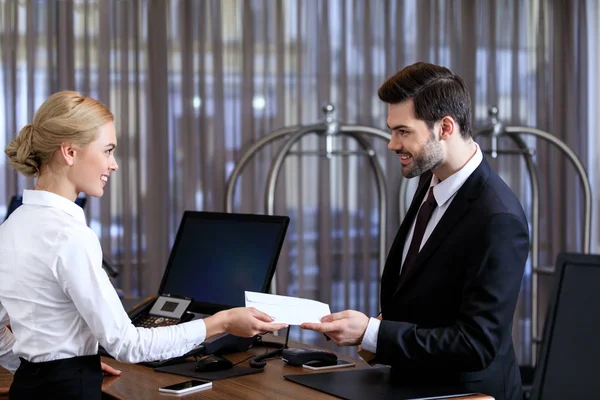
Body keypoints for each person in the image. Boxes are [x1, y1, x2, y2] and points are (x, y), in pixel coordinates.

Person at [0, 91, 287, 399]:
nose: (114, 164)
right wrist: (222, 322)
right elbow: (128, 345)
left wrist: (53, 368)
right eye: (108, 150)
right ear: (70, 152)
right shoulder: (69, 234)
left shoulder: (12, 226)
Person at [301, 62, 529, 400]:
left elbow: (477, 344)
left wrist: (371, 333)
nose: (392, 144)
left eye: (403, 131)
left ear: (445, 128)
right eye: (392, 130)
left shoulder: (498, 218)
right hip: (410, 383)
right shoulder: (431, 176)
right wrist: (370, 332)